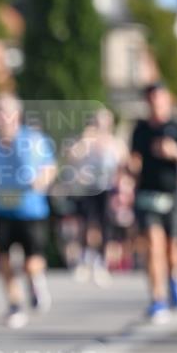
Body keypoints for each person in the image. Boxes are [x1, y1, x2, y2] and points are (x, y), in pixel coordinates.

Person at [0, 95, 57, 328]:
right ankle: (15, 305)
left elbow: (50, 166)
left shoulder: (33, 139)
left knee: (31, 263)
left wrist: (43, 179)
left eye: (6, 113)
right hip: (3, 210)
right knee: (3, 260)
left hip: (31, 210)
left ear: (17, 116)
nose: (1, 118)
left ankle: (35, 281)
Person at [129, 82, 177, 322]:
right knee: (153, 246)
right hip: (147, 195)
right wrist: (130, 167)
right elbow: (133, 161)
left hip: (173, 195)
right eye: (151, 100)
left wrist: (175, 152)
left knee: (172, 252)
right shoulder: (140, 130)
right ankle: (157, 299)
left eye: (159, 99)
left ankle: (174, 281)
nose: (156, 104)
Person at [67, 108, 128, 287]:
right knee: (86, 224)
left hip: (107, 188)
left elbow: (124, 163)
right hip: (88, 188)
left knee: (105, 226)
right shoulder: (87, 140)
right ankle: (85, 260)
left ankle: (102, 263)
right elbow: (72, 156)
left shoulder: (115, 142)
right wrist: (86, 139)